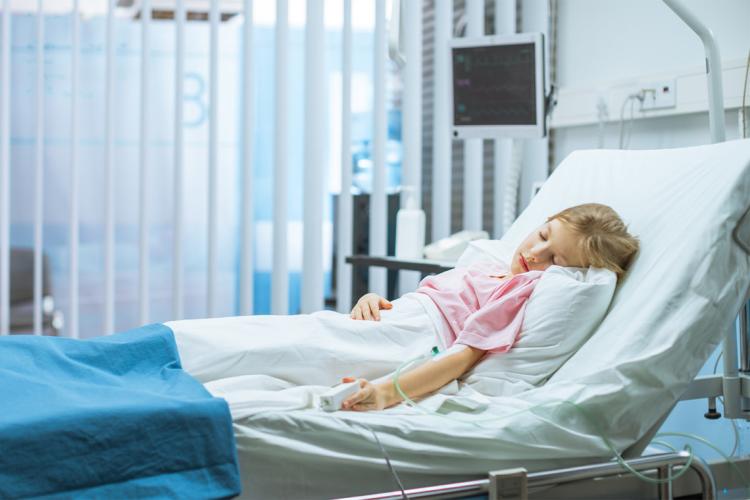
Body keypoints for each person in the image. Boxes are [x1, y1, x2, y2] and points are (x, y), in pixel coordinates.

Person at [340, 203, 639, 412]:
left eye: (557, 260)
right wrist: (373, 299)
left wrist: (385, 393)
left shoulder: (519, 290)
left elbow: (463, 356)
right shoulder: (489, 266)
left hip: (411, 338)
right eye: (543, 235)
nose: (535, 254)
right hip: (386, 320)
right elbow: (422, 300)